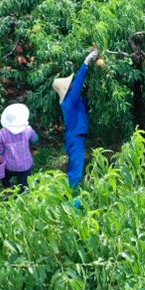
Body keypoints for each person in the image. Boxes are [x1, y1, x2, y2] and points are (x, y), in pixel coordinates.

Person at [52, 48, 98, 190]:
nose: (72, 85)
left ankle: (73, 194)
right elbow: (79, 83)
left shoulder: (73, 101)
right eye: (70, 85)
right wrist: (86, 62)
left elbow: (86, 101)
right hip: (75, 138)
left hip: (76, 137)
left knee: (75, 165)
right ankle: (74, 201)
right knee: (76, 169)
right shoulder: (69, 101)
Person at [0, 103, 39, 190]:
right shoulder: (27, 129)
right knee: (24, 182)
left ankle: (7, 188)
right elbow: (35, 139)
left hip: (9, 166)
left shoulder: (3, 132)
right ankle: (23, 193)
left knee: (5, 178)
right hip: (25, 165)